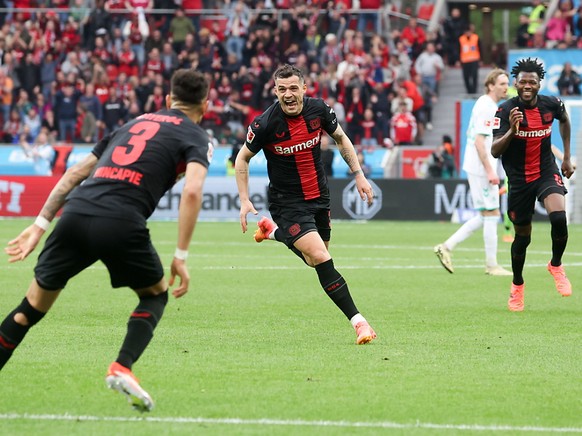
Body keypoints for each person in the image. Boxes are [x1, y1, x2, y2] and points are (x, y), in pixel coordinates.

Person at [1, 69, 212, 411]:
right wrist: (181, 255)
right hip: (121, 222)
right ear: (206, 104)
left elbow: (73, 174)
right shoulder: (197, 136)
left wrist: (39, 226)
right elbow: (192, 191)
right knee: (155, 295)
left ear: (167, 99)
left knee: (29, 310)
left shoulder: (131, 124)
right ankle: (121, 366)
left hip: (74, 215)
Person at [235, 64, 377, 345]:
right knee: (322, 258)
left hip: (319, 197)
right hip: (287, 203)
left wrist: (358, 174)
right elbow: (242, 159)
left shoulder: (319, 110)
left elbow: (341, 138)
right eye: (282, 89)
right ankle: (360, 323)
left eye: (293, 88)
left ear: (304, 88)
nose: (288, 94)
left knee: (316, 259)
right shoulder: (264, 124)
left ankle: (272, 232)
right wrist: (244, 200)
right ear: (275, 91)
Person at [491, 57, 575, 312]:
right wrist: (512, 130)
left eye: (532, 81)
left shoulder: (551, 104)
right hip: (518, 180)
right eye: (522, 82)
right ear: (516, 84)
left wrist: (568, 157)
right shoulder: (505, 111)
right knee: (522, 238)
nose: (527, 85)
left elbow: (565, 119)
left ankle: (556, 264)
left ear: (540, 83)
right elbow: (495, 150)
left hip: (546, 172)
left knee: (559, 217)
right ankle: (517, 285)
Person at [434, 69, 512, 276]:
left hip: (478, 167)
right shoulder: (487, 107)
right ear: (490, 86)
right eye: (502, 83)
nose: (506, 87)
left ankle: (446, 247)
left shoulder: (488, 105)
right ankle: (491, 265)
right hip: (481, 168)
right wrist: (490, 171)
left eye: (507, 83)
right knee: (492, 213)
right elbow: (479, 142)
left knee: (485, 214)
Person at [459, 24, 481, 94]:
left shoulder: (476, 37)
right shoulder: (461, 39)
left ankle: (474, 91)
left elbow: (480, 48)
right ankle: (469, 91)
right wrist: (458, 60)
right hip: (465, 61)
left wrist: (481, 60)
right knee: (466, 77)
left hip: (474, 60)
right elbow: (458, 50)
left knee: (474, 76)